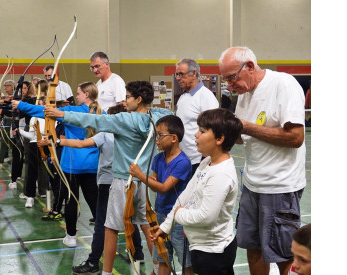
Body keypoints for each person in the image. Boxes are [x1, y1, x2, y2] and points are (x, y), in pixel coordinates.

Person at [44, 80, 173, 275]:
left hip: (123, 181)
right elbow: (170, 115)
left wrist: (61, 114)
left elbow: (93, 120)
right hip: (143, 182)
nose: (124, 100)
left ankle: (105, 272)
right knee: (147, 226)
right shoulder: (156, 118)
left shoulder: (123, 120)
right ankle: (158, 268)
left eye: (128, 97)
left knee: (110, 228)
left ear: (138, 99)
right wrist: (146, 109)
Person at [219, 46, 306, 275]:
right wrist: (224, 131)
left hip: (280, 185)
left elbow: (296, 137)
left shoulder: (283, 85)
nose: (229, 85)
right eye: (225, 79)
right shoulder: (245, 95)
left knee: (283, 254)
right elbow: (244, 137)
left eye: (231, 78)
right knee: (252, 247)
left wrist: (246, 126)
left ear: (249, 66)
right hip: (252, 184)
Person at [153, 108, 243, 275]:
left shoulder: (221, 174)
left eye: (202, 131)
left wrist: (178, 215)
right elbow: (185, 196)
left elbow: (205, 217)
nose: (195, 135)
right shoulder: (207, 161)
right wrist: (166, 226)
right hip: (200, 248)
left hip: (215, 253)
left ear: (219, 138)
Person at [13, 82, 100, 248]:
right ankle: (102, 237)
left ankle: (71, 237)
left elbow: (43, 112)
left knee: (71, 201)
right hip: (92, 164)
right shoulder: (99, 111)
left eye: (79, 93)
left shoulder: (73, 111)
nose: (77, 96)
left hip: (72, 165)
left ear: (86, 95)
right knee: (94, 202)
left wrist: (20, 104)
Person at [129, 115, 193, 275]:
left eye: (160, 135)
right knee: (163, 256)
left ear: (173, 138)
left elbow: (164, 187)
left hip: (178, 219)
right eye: (155, 134)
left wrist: (140, 175)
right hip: (160, 215)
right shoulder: (158, 158)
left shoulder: (182, 162)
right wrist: (147, 178)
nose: (156, 139)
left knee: (186, 261)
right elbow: (156, 181)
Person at [174, 58, 219, 175]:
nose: (178, 78)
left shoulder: (206, 97)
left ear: (194, 73)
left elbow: (214, 130)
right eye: (176, 74)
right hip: (183, 158)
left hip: (198, 161)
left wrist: (205, 159)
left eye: (181, 74)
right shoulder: (184, 96)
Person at [0, 80, 15, 169]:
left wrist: (0, 104)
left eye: (7, 86)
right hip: (5, 121)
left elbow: (8, 109)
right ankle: (14, 157)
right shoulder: (7, 97)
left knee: (4, 141)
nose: (5, 87)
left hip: (10, 121)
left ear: (12, 87)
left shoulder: (14, 97)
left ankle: (0, 162)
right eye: (4, 86)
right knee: (9, 141)